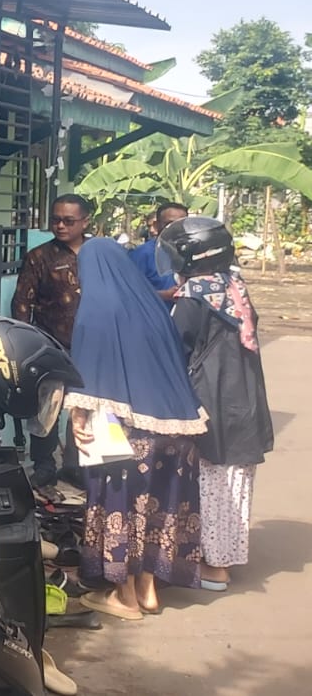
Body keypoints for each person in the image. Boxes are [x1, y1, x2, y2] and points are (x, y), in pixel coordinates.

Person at [66, 238, 208, 619]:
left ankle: (124, 596)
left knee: (122, 505)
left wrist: (77, 417)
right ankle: (148, 590)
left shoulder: (97, 307)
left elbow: (88, 371)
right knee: (158, 507)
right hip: (179, 429)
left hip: (129, 432)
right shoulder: (153, 305)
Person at [161, 217, 274, 592]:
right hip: (242, 397)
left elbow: (175, 348)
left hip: (212, 400)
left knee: (212, 481)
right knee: (234, 479)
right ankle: (225, 555)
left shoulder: (194, 296)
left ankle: (214, 565)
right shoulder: (232, 284)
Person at [12, 194, 94, 486]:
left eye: (68, 221)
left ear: (85, 222)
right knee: (47, 406)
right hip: (51, 344)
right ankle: (44, 465)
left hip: (93, 345)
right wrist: (25, 345)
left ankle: (78, 464)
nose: (60, 226)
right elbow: (22, 303)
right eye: (56, 220)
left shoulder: (98, 254)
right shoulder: (39, 257)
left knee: (86, 405)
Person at [130, 202, 189, 300]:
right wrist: (164, 295)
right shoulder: (142, 254)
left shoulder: (192, 252)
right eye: (169, 224)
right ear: (156, 225)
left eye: (181, 224)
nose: (175, 228)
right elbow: (129, 291)